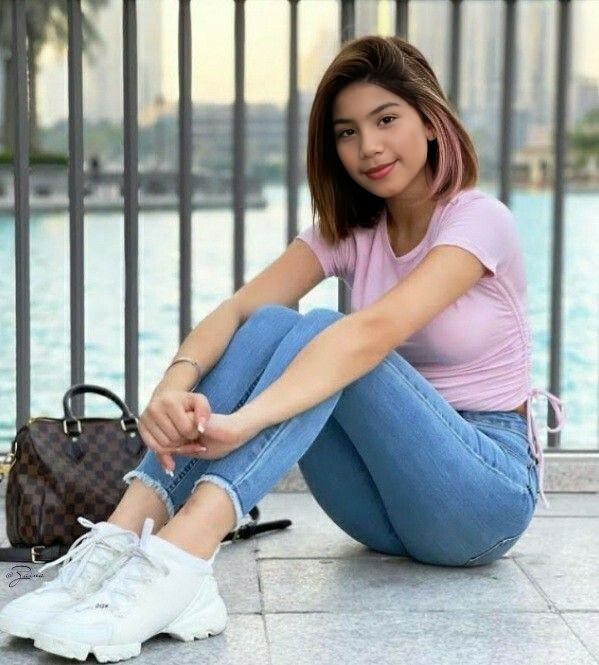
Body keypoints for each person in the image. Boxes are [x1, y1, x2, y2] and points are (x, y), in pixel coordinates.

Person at [0, 35, 565, 662]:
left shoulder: (478, 219)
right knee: (270, 320)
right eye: (347, 132)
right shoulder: (351, 229)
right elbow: (239, 310)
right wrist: (171, 387)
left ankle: (185, 553)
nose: (368, 147)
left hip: (481, 497)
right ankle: (121, 535)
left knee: (328, 330)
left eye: (386, 120)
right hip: (379, 513)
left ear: (431, 120)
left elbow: (373, 332)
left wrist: (244, 422)